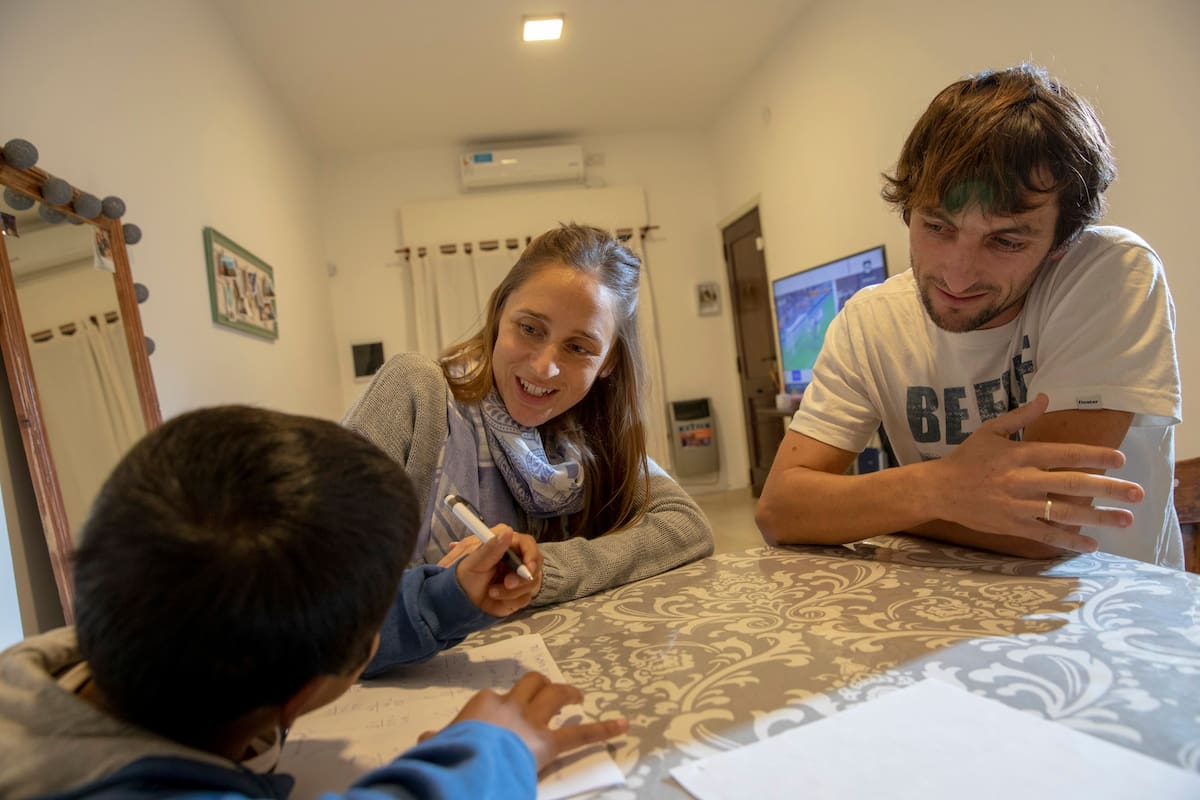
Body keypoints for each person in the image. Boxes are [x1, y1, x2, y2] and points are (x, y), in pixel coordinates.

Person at [0, 406, 626, 799]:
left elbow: (281, 617)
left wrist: (448, 596)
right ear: (306, 692)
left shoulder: (95, 651)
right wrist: (487, 751)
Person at [756, 64, 1182, 568]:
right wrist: (941, 488)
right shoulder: (870, 319)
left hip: (1113, 620)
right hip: (949, 615)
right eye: (937, 226)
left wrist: (871, 504)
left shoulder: (1112, 271)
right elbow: (781, 510)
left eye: (1005, 240)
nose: (957, 277)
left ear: (1061, 243)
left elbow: (1048, 529)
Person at [344, 223, 714, 668]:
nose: (544, 368)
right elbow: (316, 598)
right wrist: (454, 593)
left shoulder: (587, 433)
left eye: (578, 347)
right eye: (530, 329)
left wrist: (544, 573)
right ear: (500, 313)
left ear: (608, 362)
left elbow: (685, 528)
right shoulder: (416, 392)